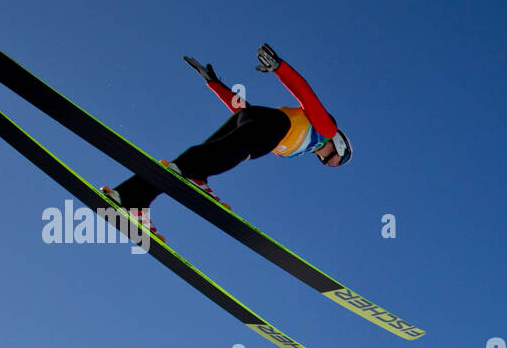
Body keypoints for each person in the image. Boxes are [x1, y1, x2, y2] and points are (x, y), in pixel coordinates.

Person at [102, 43, 350, 239]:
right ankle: (192, 175)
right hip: (273, 124)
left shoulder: (299, 150)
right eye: (340, 160)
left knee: (200, 157)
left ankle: (130, 198)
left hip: (255, 118)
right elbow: (306, 94)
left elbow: (245, 111)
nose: (334, 164)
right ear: (340, 145)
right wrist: (279, 68)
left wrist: (214, 84)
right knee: (225, 153)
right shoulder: (326, 129)